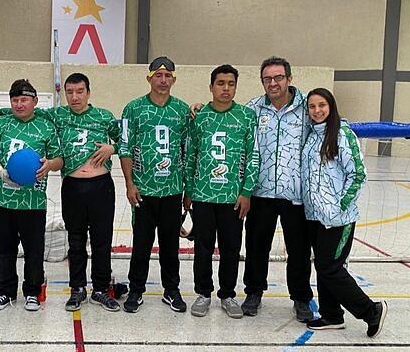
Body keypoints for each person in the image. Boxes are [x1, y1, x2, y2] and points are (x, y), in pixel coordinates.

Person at [0, 72, 122, 312]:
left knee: (102, 240)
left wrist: (113, 147)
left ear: (89, 93)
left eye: (80, 91)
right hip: (73, 185)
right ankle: (77, 289)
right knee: (75, 240)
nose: (75, 97)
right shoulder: (57, 115)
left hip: (101, 186)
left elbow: (127, 140)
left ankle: (100, 288)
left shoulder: (105, 116)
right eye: (70, 92)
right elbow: (24, 108)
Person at [302, 88, 387, 337]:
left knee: (331, 267)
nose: (317, 111)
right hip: (314, 216)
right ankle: (332, 315)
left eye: (322, 105)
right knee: (323, 265)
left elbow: (358, 174)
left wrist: (339, 206)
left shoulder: (342, 134)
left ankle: (371, 311)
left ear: (331, 107)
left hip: (338, 218)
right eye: (312, 107)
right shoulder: (312, 136)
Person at [241, 57, 314, 320]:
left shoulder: (308, 107)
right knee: (256, 245)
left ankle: (301, 298)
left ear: (289, 79)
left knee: (299, 250)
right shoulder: (252, 109)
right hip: (260, 193)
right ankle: (253, 292)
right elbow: (226, 118)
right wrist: (199, 107)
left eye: (278, 77)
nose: (273, 83)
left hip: (296, 195)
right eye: (267, 79)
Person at [183, 65, 258, 319]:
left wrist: (246, 192)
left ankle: (227, 294)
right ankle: (203, 293)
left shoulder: (246, 116)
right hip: (203, 195)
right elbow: (191, 155)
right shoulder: (200, 117)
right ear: (211, 87)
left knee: (231, 247)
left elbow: (253, 156)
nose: (226, 88)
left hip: (233, 197)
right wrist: (189, 191)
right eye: (220, 83)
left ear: (236, 86)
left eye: (231, 83)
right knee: (203, 247)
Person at [0, 79, 63, 312]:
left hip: (33, 202)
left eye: (24, 99)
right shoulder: (1, 124)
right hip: (3, 199)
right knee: (3, 249)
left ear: (35, 101)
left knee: (34, 251)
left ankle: (33, 292)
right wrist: (0, 171)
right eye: (15, 100)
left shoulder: (46, 126)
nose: (19, 104)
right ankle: (5, 292)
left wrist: (49, 165)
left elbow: (59, 159)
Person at [119, 56, 190, 314]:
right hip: (143, 190)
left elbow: (188, 149)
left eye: (168, 76)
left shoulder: (182, 111)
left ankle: (172, 290)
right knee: (141, 243)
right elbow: (124, 146)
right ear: (149, 78)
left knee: (170, 245)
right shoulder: (133, 109)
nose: (163, 80)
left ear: (173, 79)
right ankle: (136, 289)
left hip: (172, 190)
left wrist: (188, 190)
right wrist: (129, 183)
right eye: (158, 75)